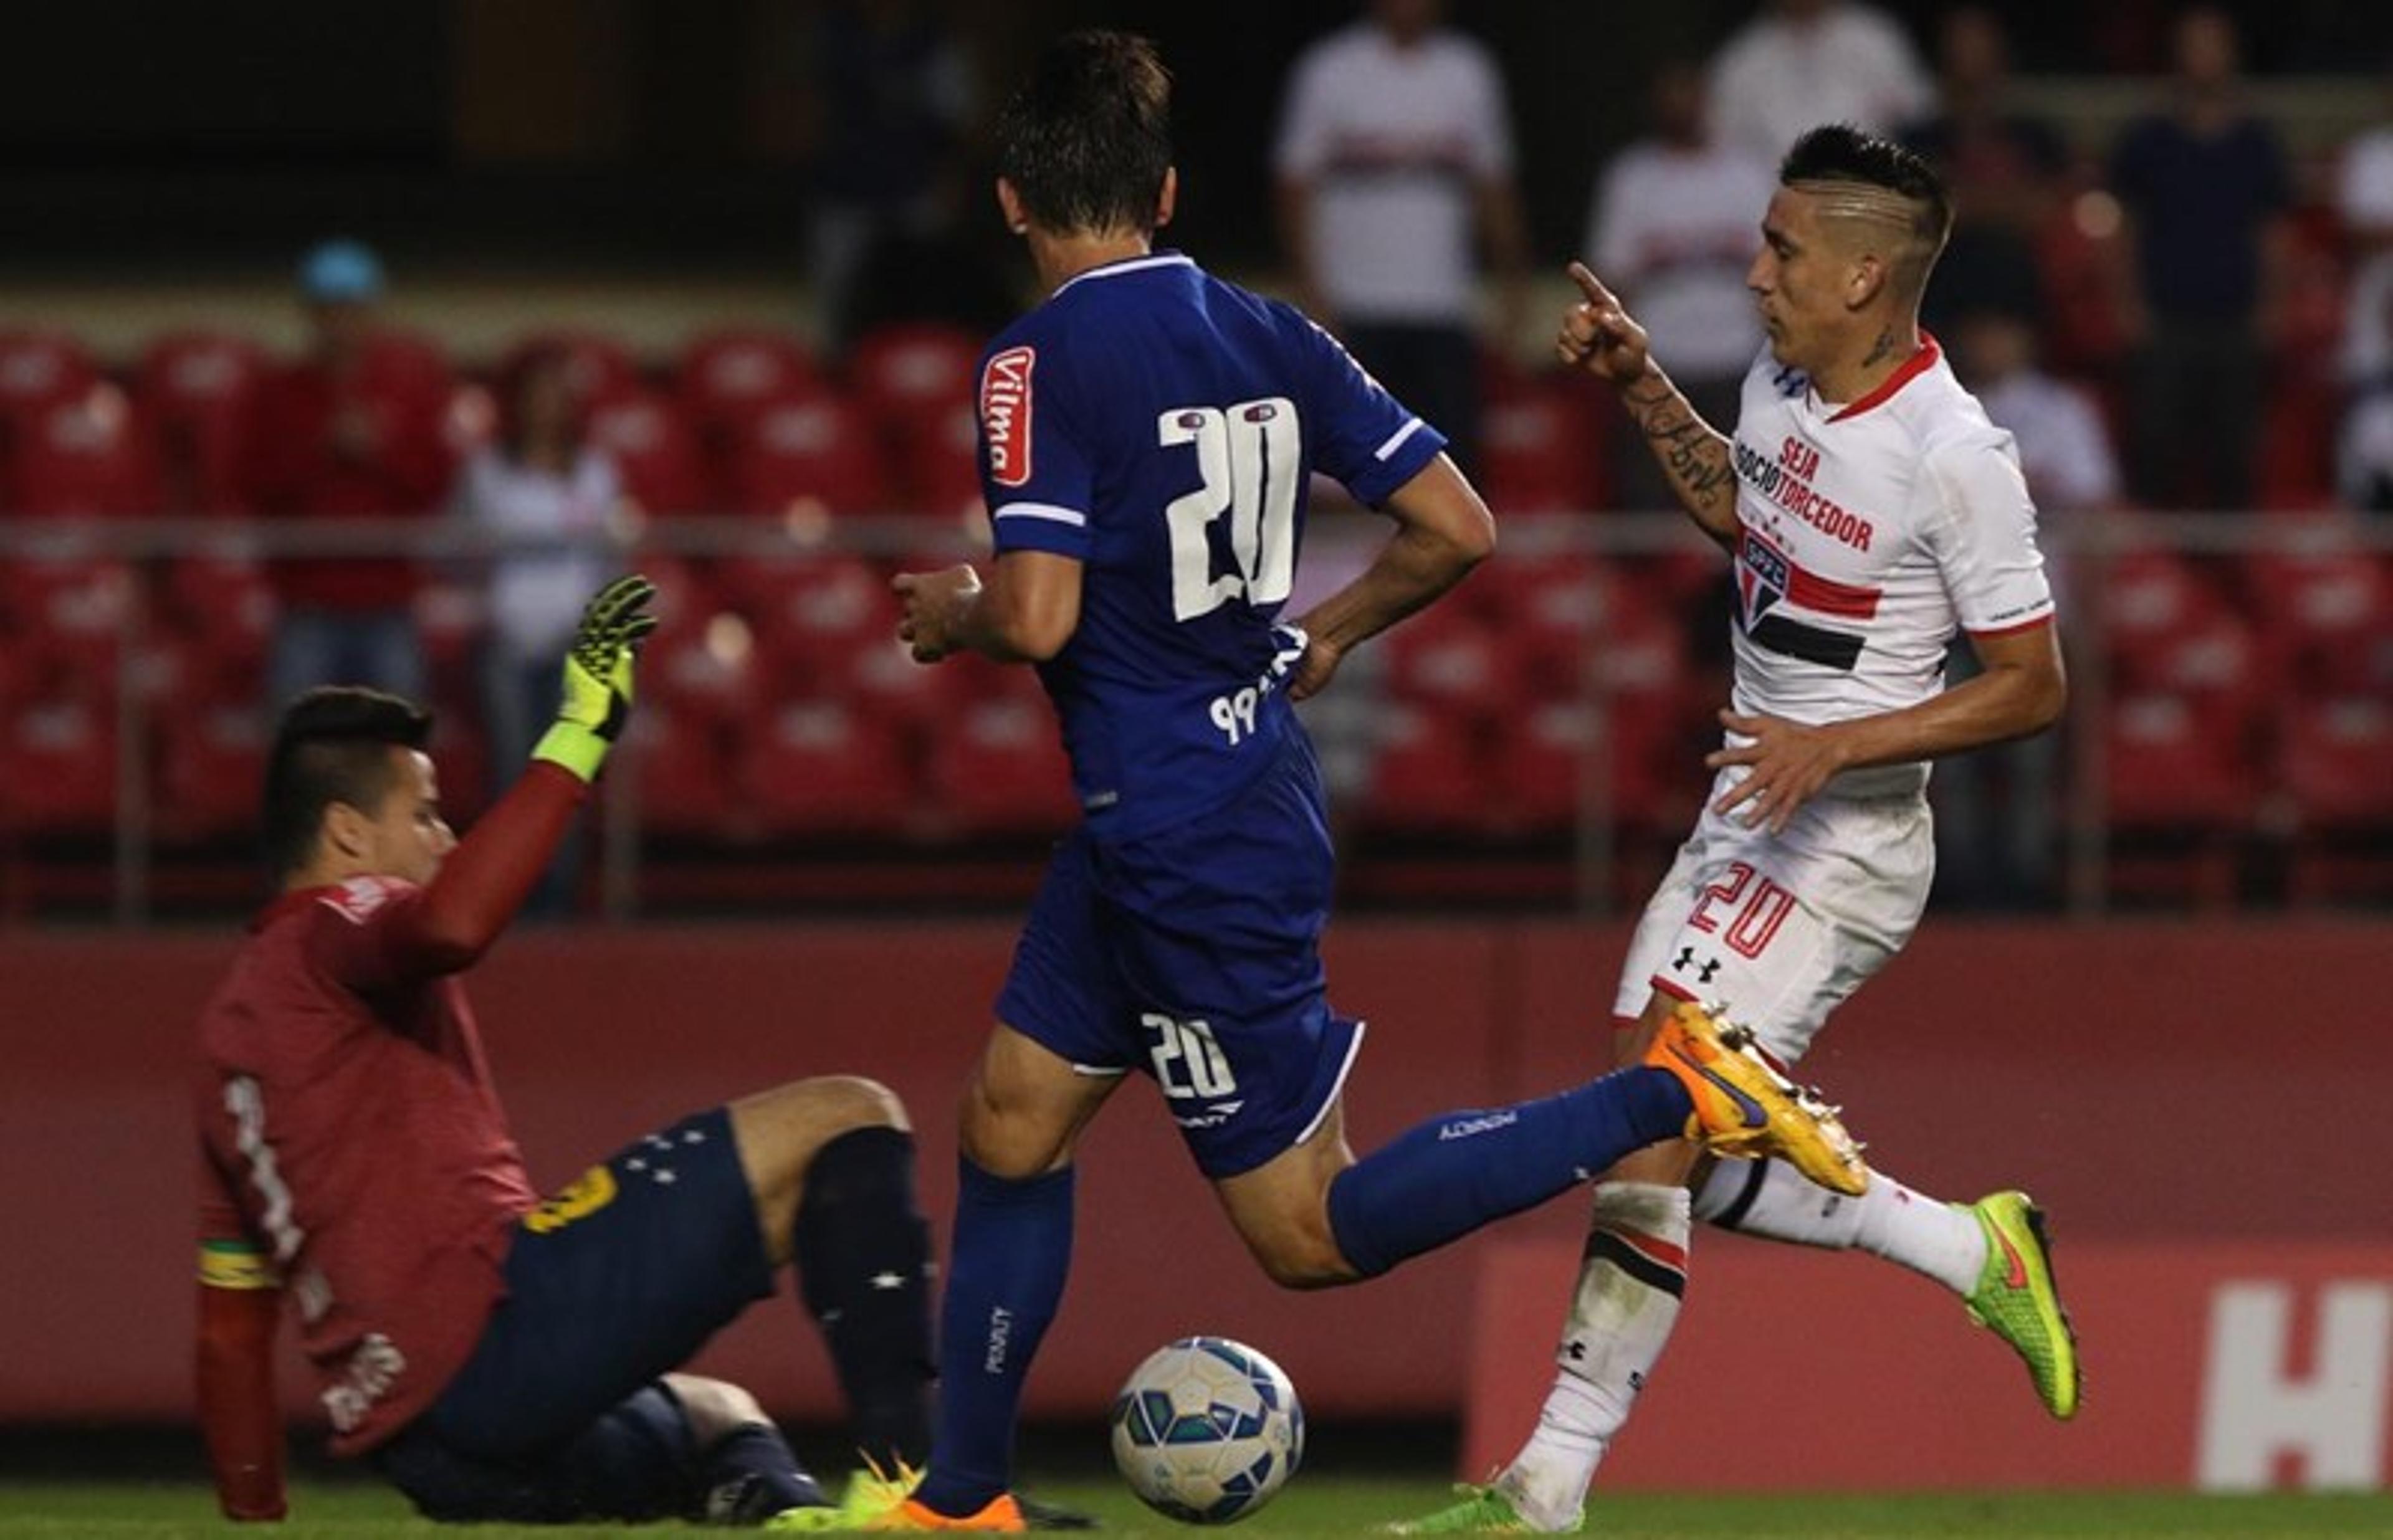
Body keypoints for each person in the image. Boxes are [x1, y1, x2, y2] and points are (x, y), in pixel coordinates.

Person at [876, 34, 1866, 1534]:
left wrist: (954, 609)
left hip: (1180, 837)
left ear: (1011, 201)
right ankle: (962, 1508)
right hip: (1207, 793)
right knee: (1009, 1118)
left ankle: (1676, 1087)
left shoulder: (1029, 362)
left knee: (1309, 1234)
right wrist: (1321, 634)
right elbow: (1459, 526)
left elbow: (1034, 620)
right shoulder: (1270, 328)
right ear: (1161, 189)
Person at [1393, 127, 2078, 1535]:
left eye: (1779, 250)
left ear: (1861, 272)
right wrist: (1643, 383)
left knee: (1655, 1108)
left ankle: (1541, 1495)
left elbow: (2031, 685)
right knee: (1659, 1138)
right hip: (1740, 814)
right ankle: (1968, 1246)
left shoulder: (1954, 454)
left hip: (1845, 844)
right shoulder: (1778, 379)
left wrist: (1840, 740)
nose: (1751, 272)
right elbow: (1742, 514)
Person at [194, 578, 937, 1527]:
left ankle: (786, 1513)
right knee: (851, 1116)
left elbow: (229, 1330)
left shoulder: (226, 1047)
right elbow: (455, 925)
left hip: (431, 1454)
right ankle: (918, 1490)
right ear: (347, 832)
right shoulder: (339, 923)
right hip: (501, 1343)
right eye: (423, 814)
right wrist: (581, 730)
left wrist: (253, 1510)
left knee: (723, 1415)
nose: (444, 836)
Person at [1273, 0, 1527, 476]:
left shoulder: (1467, 71)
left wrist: (1513, 285)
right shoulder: (1330, 69)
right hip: (1353, 305)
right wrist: (1311, 289)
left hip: (1443, 304)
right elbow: (1294, 186)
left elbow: (1493, 185)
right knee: (1348, 466)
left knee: (1453, 467)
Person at [454, 343, 632, 916]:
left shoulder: (596, 473)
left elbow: (612, 560)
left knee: (566, 781)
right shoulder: (487, 474)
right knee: (514, 775)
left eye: (558, 398)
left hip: (575, 650)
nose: (547, 409)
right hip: (509, 641)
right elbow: (454, 553)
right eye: (537, 398)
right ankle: (506, 897)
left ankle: (558, 900)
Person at [242, 239, 456, 705]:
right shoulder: (281, 392)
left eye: (352, 310)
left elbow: (434, 485)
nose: (341, 324)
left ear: (371, 314)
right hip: (307, 602)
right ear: (312, 315)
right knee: (300, 749)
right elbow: (256, 486)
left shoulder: (408, 390)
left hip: (388, 602)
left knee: (401, 750)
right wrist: (321, 449)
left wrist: (379, 451)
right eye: (329, 311)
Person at [2107, 5, 2291, 512]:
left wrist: (2272, 306)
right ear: (2176, 55)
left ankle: (2235, 576)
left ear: (2231, 55)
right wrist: (2127, 302)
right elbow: (2123, 228)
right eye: (2193, 44)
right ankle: (2156, 573)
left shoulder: (2257, 142)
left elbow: (2272, 233)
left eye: (2213, 44)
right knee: (2156, 442)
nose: (2203, 57)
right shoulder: (2148, 140)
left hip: (2235, 317)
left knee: (2235, 451)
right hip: (2164, 318)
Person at [1583, 60, 1775, 511]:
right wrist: (1625, 365)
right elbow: (1612, 279)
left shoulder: (1747, 173)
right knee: (1653, 503)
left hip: (1738, 362)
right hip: (1660, 362)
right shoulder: (1632, 177)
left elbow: (1778, 273)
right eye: (1670, 98)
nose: (1681, 109)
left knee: (1744, 501)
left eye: (1688, 96)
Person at [1707, 0, 1934, 164]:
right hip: (1774, 205)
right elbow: (1720, 144)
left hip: (1870, 200)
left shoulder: (1876, 39)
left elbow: (1920, 117)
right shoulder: (1742, 60)